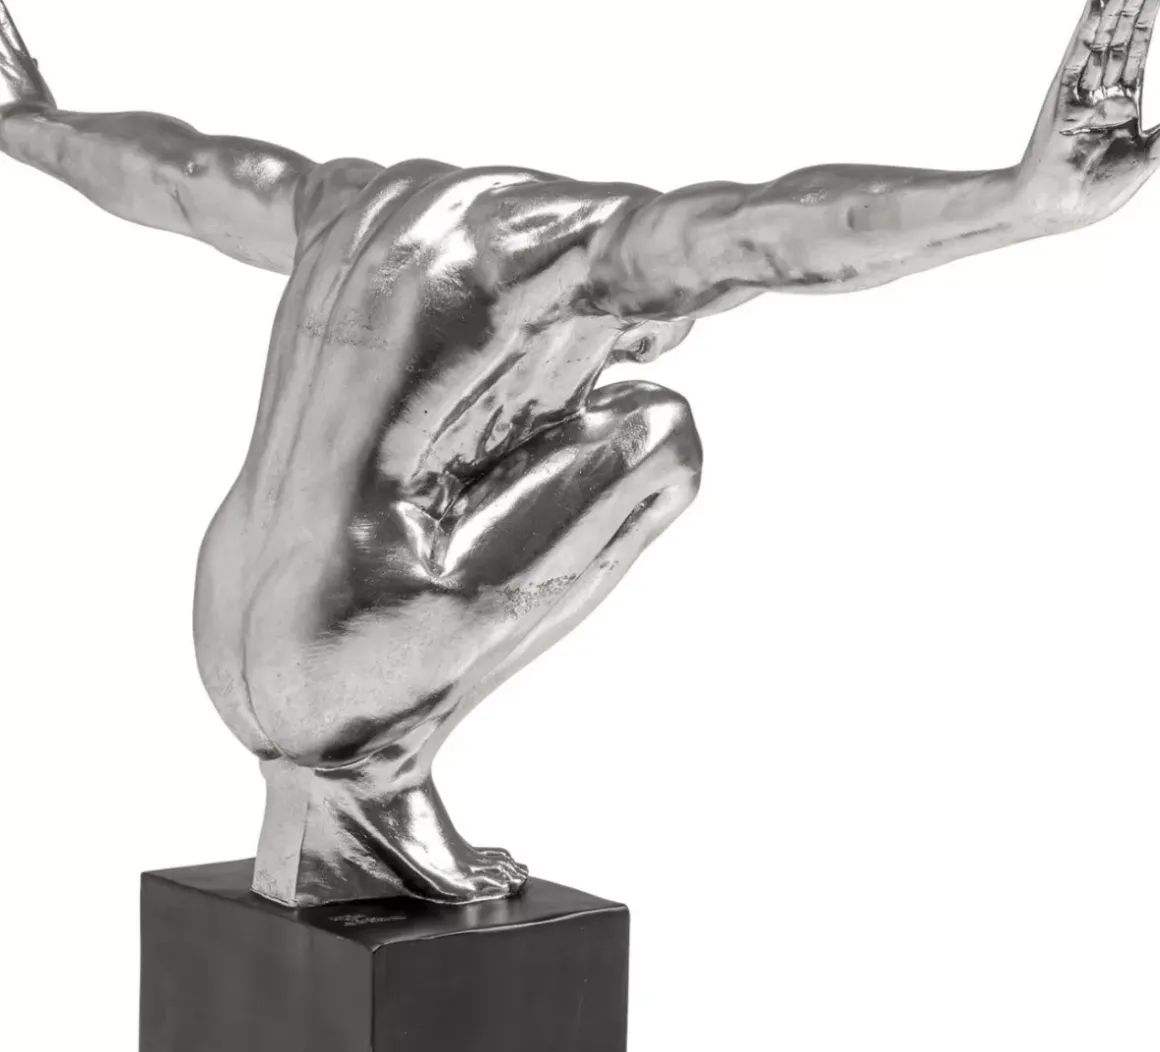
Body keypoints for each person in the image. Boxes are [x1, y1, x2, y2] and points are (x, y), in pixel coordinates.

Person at [2, 1, 1157, 906]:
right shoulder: (585, 246)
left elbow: (182, 174)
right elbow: (781, 228)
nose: (621, 349)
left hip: (218, 618)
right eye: (641, 326)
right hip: (349, 637)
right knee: (656, 432)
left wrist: (28, 122)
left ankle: (321, 809)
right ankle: (381, 782)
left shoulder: (347, 203)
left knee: (474, 460)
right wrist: (1016, 203)